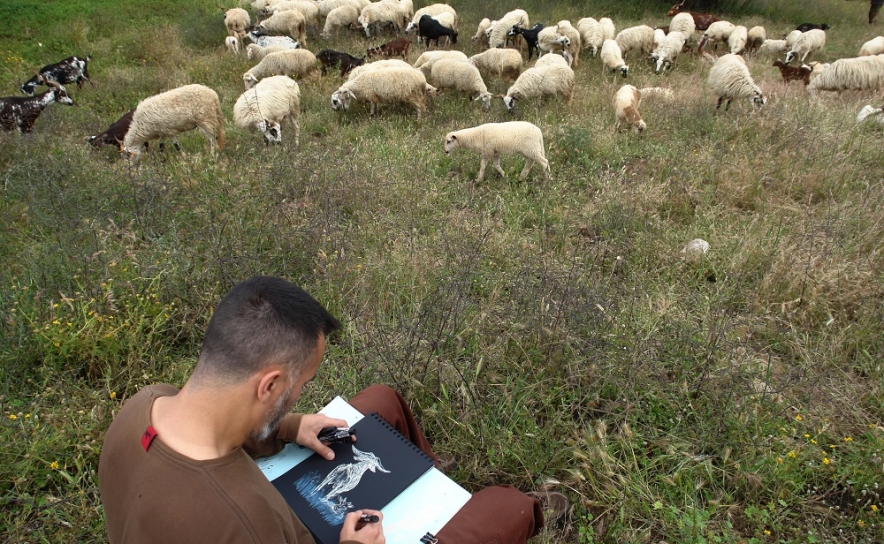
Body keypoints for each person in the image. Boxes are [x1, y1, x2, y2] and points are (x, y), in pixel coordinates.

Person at [98, 275, 555, 544]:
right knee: (504, 506)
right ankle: (537, 512)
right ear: (270, 384)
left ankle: (429, 475)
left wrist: (290, 425)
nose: (299, 396)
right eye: (300, 387)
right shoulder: (246, 522)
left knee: (379, 402)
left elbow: (221, 429)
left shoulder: (145, 405)